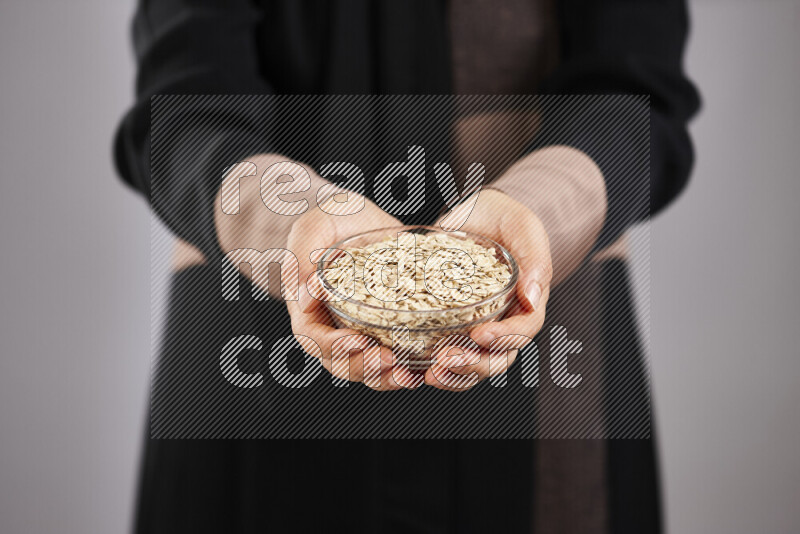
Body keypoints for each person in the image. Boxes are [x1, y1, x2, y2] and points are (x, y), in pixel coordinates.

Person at [115, 0, 699, 532]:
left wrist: (537, 212)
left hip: (550, 336)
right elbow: (182, 107)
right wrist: (293, 221)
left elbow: (635, 94)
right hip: (256, 330)